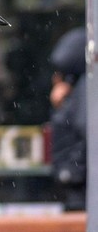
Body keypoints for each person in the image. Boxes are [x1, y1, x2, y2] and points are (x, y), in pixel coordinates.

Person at [49, 26, 86, 211]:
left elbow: (85, 133)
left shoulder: (84, 90)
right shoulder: (81, 89)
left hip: (80, 192)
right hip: (78, 189)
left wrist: (71, 172)